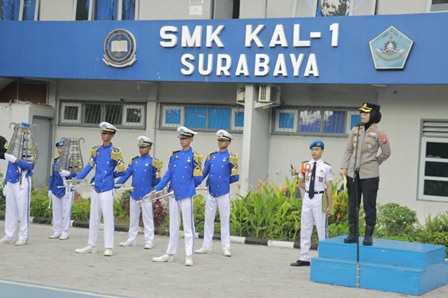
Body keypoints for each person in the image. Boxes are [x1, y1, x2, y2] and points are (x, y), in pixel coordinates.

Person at [340, 102, 391, 246]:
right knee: (353, 204)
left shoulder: (380, 133)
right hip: (353, 174)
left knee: (369, 205)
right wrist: (344, 167)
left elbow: (386, 152)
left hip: (370, 175)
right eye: (361, 112)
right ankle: (353, 233)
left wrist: (375, 162)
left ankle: (368, 235)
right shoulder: (355, 130)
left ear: (373, 115)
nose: (362, 115)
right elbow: (348, 150)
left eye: (365, 113)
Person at [152, 126, 203, 266]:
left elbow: (198, 178)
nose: (182, 140)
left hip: (186, 194)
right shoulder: (175, 155)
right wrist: (158, 188)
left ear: (191, 139)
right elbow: (169, 173)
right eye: (181, 138)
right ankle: (170, 253)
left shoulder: (195, 156)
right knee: (173, 224)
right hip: (173, 193)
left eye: (185, 138)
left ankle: (189, 255)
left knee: (188, 226)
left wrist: (189, 187)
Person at [75, 122, 125, 257]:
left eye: (107, 133)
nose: (104, 135)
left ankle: (108, 246)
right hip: (96, 187)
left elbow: (122, 171)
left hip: (107, 188)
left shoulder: (115, 152)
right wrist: (77, 179)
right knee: (94, 217)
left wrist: (110, 176)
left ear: (112, 135)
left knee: (108, 218)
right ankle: (92, 244)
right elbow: (89, 166)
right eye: (103, 133)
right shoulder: (96, 151)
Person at [195, 129, 239, 257]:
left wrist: (224, 182)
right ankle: (206, 246)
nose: (220, 142)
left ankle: (226, 247)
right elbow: (204, 173)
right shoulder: (212, 156)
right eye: (219, 140)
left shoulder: (231, 158)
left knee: (224, 220)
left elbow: (235, 176)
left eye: (223, 140)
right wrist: (194, 183)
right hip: (211, 192)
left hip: (223, 192)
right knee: (208, 219)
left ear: (229, 142)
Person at [291, 140, 333, 267]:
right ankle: (304, 257)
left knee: (321, 228)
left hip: (320, 197)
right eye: (313, 149)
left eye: (317, 149)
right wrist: (309, 190)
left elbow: (330, 187)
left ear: (322, 151)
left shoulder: (326, 167)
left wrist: (329, 205)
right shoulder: (305, 165)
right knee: (305, 226)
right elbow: (300, 183)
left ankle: (323, 256)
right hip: (308, 198)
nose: (314, 152)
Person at [115, 136, 162, 249]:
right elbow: (126, 175)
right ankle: (131, 239)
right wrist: (115, 185)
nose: (141, 149)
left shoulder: (153, 162)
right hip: (134, 193)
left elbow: (157, 180)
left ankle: (149, 240)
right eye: (140, 147)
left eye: (144, 147)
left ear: (149, 147)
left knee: (148, 218)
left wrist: (153, 190)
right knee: (133, 218)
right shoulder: (134, 161)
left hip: (146, 194)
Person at [0, 124, 35, 246]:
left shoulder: (30, 147)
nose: (20, 134)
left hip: (22, 181)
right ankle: (9, 234)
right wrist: (6, 181)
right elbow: (9, 167)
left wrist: (15, 159)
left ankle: (23, 236)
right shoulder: (12, 146)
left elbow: (30, 166)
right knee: (10, 209)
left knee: (22, 210)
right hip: (11, 180)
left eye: (22, 132)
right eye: (18, 132)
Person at [48, 139, 77, 240]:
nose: (60, 150)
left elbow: (77, 173)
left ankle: (65, 231)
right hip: (56, 188)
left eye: (62, 148)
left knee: (66, 211)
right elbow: (52, 176)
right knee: (56, 211)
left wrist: (69, 173)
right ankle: (57, 230)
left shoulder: (72, 160)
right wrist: (50, 189)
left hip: (67, 188)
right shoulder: (55, 161)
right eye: (59, 148)